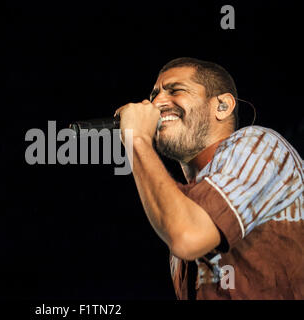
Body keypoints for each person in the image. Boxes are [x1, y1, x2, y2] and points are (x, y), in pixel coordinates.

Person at [115, 57, 303, 299]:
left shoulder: (260, 144)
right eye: (154, 96)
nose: (156, 103)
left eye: (176, 90)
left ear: (223, 106)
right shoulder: (182, 205)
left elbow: (187, 237)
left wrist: (137, 140)